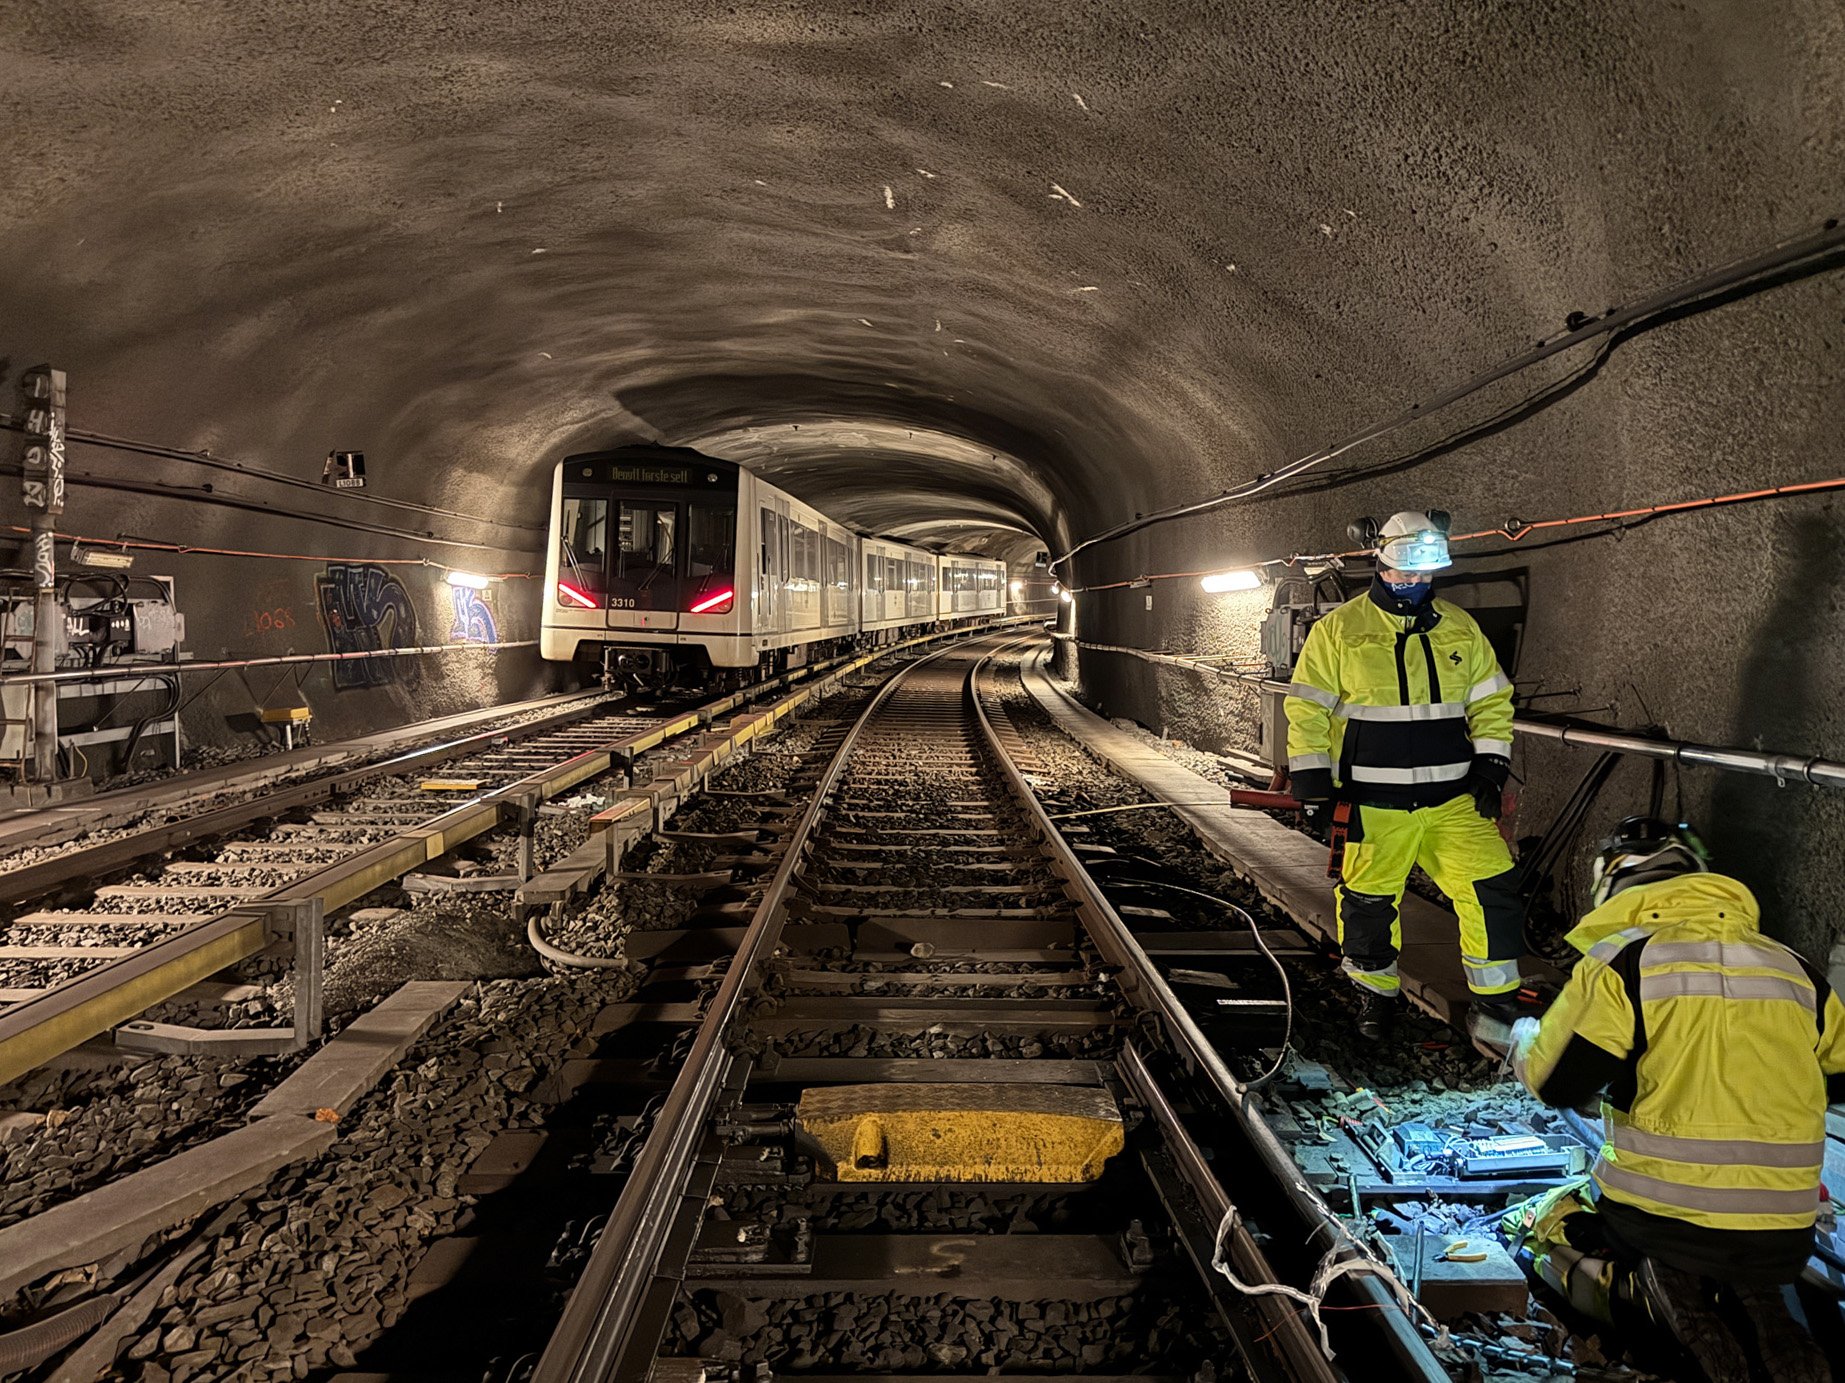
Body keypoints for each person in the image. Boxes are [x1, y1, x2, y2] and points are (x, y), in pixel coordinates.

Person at [1510, 817, 1845, 1382]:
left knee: (1543, 1224)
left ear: (1613, 885)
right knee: (1746, 1265)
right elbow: (1838, 1079)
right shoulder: (1794, 967)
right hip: (1786, 1227)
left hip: (1656, 1217)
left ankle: (1642, 1298)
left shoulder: (1625, 960)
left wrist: (1523, 1039)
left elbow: (1558, 1084)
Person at [1284, 509, 1522, 1040]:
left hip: (1454, 802)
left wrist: (1492, 761)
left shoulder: (1460, 628)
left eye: (1425, 574)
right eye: (1405, 572)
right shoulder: (1339, 631)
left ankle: (1497, 1006)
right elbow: (1307, 712)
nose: (1415, 583)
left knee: (1493, 891)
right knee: (1367, 906)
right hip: (1373, 803)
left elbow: (1492, 700)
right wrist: (1312, 786)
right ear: (1380, 562)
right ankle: (1376, 997)